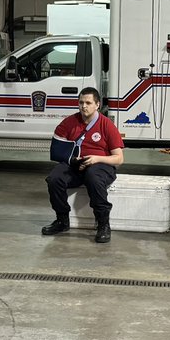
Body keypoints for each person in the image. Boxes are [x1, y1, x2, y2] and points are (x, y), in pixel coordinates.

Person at [43, 87, 124, 244]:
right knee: (54, 179)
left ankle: (103, 224)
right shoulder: (69, 123)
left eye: (88, 103)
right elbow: (57, 151)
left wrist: (96, 159)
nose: (84, 106)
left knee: (93, 177)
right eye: (81, 102)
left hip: (100, 164)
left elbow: (119, 159)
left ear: (97, 105)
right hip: (75, 163)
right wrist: (73, 161)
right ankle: (62, 220)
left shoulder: (107, 125)